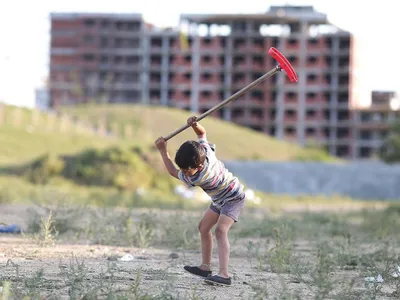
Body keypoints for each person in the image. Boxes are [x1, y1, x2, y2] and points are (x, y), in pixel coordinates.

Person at [154, 116, 246, 286]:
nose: (183, 172)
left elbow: (173, 172)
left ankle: (224, 274)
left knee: (220, 231)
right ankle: (205, 267)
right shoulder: (206, 152)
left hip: (233, 197)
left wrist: (162, 150)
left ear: (198, 168)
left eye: (186, 170)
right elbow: (202, 134)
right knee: (203, 228)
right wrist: (195, 125)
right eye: (182, 168)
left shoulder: (199, 177)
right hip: (220, 198)